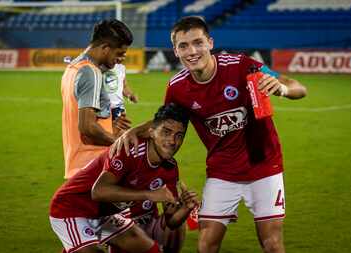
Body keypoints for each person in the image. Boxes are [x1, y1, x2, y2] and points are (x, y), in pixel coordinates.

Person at [110, 16, 307, 253]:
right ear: (175, 51)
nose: (192, 51)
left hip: (264, 166)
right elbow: (165, 123)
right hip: (222, 171)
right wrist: (135, 131)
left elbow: (299, 87)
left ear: (210, 43)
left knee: (272, 243)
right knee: (206, 244)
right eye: (183, 46)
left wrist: (282, 88)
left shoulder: (241, 66)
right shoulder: (177, 87)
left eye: (198, 43)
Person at [49, 103, 199, 253]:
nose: (173, 141)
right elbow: (99, 191)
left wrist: (186, 209)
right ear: (151, 132)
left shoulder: (170, 168)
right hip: (71, 208)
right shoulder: (129, 149)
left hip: (104, 215)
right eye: (166, 132)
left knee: (151, 250)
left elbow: (171, 222)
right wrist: (149, 194)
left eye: (179, 136)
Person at [61, 19, 133, 179]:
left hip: (79, 165)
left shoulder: (73, 68)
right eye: (119, 53)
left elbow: (82, 117)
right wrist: (118, 141)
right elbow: (86, 126)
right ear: (105, 48)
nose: (122, 59)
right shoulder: (90, 72)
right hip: (93, 167)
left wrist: (109, 125)